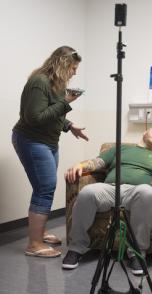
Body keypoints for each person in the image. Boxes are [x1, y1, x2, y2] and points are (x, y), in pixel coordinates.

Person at [62, 126, 152, 275]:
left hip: (136, 192)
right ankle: (76, 248)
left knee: (147, 192)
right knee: (87, 192)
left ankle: (137, 253)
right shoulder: (120, 149)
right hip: (110, 189)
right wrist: (81, 165)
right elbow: (98, 162)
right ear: (144, 132)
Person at [12, 46, 89, 258]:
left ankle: (39, 231)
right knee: (45, 188)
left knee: (44, 187)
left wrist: (69, 125)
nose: (75, 72)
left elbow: (50, 112)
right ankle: (34, 244)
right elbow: (35, 118)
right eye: (73, 68)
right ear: (62, 65)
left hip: (47, 142)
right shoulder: (40, 82)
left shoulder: (56, 83)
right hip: (32, 141)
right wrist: (66, 103)